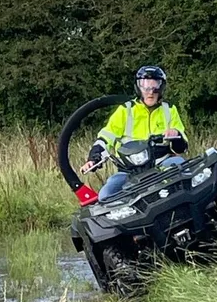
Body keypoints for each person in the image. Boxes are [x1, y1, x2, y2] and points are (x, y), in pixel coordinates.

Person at [81, 65, 189, 201]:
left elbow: (182, 146)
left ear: (161, 88)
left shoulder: (169, 110)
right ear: (138, 87)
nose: (150, 92)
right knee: (106, 195)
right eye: (146, 86)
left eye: (155, 86)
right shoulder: (125, 110)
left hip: (162, 165)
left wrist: (176, 135)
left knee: (182, 168)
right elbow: (106, 136)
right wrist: (94, 157)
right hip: (128, 171)